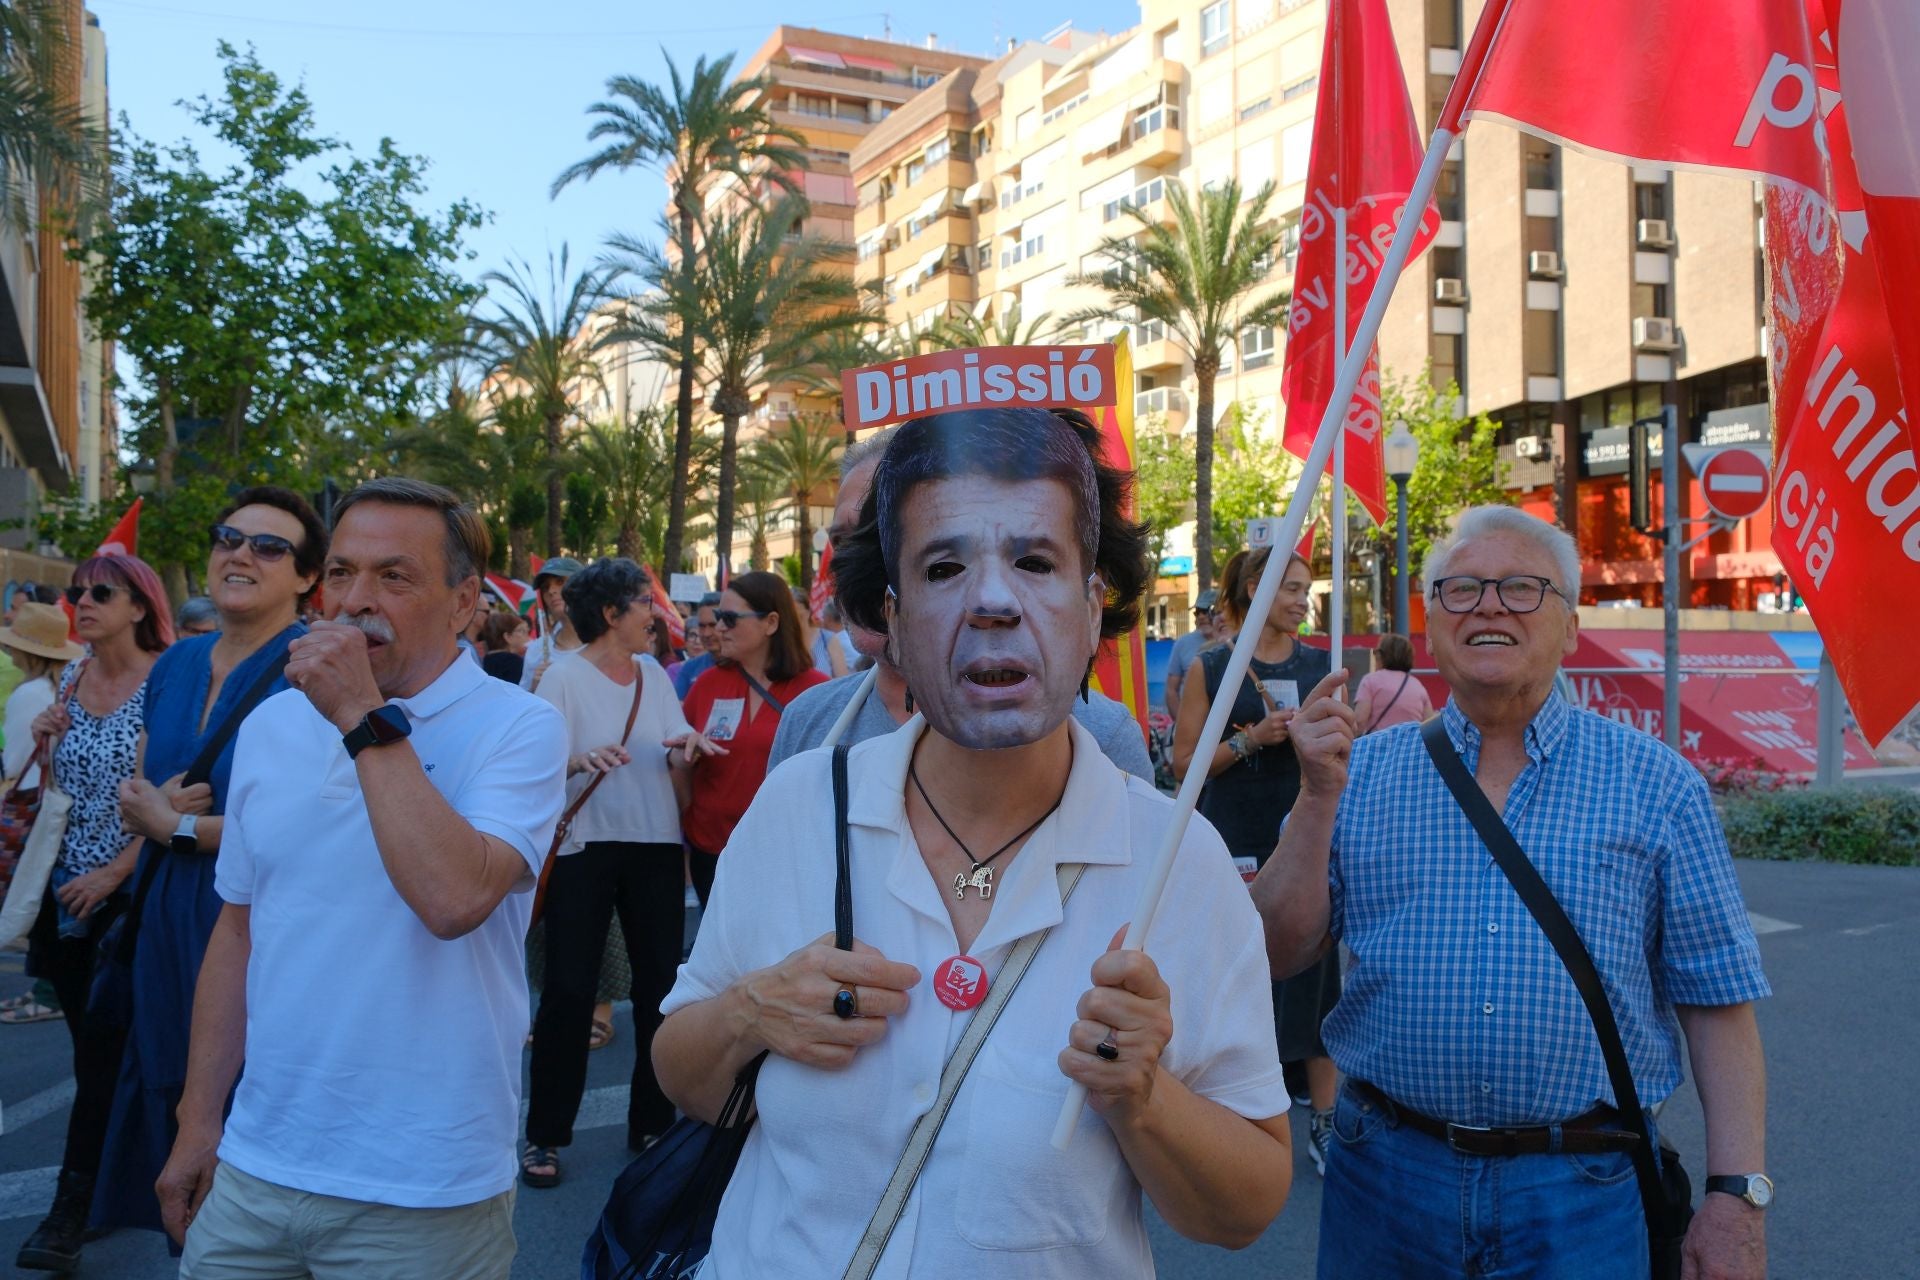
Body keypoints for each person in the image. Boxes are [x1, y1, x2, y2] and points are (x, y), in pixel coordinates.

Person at [655, 405, 1293, 1277]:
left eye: (1035, 562)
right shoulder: (799, 808)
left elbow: (1245, 1208)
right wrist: (750, 1012)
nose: (993, 602)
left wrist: (1144, 1098)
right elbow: (683, 1077)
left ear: (1092, 607)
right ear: (895, 616)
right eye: (944, 567)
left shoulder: (1175, 861)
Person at [1256, 505, 1772, 1280]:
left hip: (1582, 1192)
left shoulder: (1658, 785)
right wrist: (1316, 799)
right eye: (1462, 589)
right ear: (1433, 625)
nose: (1490, 606)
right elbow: (1277, 950)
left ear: (1571, 628)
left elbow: (1718, 1001)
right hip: (1386, 1179)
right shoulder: (1357, 776)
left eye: (1522, 588)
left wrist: (1737, 1197)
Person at [156, 478, 567, 1279]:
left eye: (394, 576)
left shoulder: (519, 726)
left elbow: (454, 898)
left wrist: (359, 714)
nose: (354, 601)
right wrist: (199, 1122)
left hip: (424, 1188)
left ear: (463, 604)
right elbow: (239, 929)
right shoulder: (274, 722)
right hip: (256, 1165)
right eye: (341, 572)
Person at [84, 489, 326, 1257]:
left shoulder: (317, 671)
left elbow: (313, 821)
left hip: (256, 920)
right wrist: (148, 806)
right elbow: (142, 784)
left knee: (246, 1104)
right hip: (163, 913)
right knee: (168, 1092)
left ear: (307, 579)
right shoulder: (178, 662)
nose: (240, 554)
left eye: (269, 546)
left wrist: (176, 826)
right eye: (229, 538)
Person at [767, 430, 1156, 784]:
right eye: (843, 541)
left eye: (1033, 565)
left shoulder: (1101, 736)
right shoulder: (808, 723)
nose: (860, 568)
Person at [520, 558, 724, 1188]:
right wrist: (578, 760)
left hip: (655, 845)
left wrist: (689, 743)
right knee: (568, 991)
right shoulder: (562, 677)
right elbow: (534, 765)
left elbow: (674, 732)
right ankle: (545, 1135)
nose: (655, 614)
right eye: (642, 602)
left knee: (659, 987)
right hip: (584, 847)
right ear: (610, 614)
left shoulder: (653, 675)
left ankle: (651, 1122)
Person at [16, 554, 173, 1273]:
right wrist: (46, 736)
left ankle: (69, 1211)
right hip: (65, 897)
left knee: (110, 1053)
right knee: (95, 1054)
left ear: (139, 606)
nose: (82, 602)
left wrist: (115, 873)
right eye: (77, 592)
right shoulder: (72, 678)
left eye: (100, 592)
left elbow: (173, 791)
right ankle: (118, 1184)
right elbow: (63, 789)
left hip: (131, 899)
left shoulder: (164, 683)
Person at [1171, 546, 1339, 1177]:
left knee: (1319, 977)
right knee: (1235, 973)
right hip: (1233, 838)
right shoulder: (1213, 667)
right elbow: (1183, 766)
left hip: (1305, 836)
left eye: (1305, 589)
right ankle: (1222, 1116)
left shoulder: (1323, 664)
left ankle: (1325, 1120)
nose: (1302, 600)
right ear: (1254, 589)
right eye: (1291, 588)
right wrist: (1252, 740)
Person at [680, 571, 828, 905]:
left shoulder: (815, 690)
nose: (718, 628)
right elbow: (679, 755)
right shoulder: (707, 684)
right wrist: (682, 755)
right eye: (719, 617)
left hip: (783, 854)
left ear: (771, 622)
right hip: (711, 848)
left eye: (729, 618)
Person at [520, 557, 585, 692]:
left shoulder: (607, 642)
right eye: (545, 587)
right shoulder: (536, 651)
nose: (551, 591)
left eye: (560, 582)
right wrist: (534, 689)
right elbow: (522, 700)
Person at [1353, 633, 1432, 734]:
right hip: (1410, 742)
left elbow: (1359, 721)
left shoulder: (1370, 680)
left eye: (1376, 653)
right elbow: (1429, 724)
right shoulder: (1418, 686)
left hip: (1380, 742)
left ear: (1382, 656)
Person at [1161, 591, 1217, 718]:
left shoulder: (1237, 642)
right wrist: (1182, 723)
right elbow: (1171, 690)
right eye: (1197, 612)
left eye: (1206, 611)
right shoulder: (1183, 643)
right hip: (1193, 722)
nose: (1201, 617)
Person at [671, 592, 720, 699]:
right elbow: (677, 706)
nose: (706, 633)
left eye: (713, 625)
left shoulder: (747, 666)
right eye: (702, 626)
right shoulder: (689, 668)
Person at [810, 598, 859, 677]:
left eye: (823, 617)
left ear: (828, 618)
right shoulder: (851, 636)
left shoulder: (835, 642)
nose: (822, 621)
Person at [480, 610, 530, 685]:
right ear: (507, 637)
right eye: (520, 630)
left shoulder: (485, 659)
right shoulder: (513, 662)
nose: (526, 635)